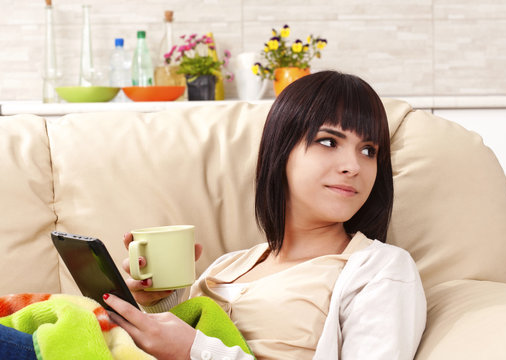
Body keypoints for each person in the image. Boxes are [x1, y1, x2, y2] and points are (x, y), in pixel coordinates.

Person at [0, 70, 426, 360]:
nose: (354, 165)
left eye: (369, 150)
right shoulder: (231, 265)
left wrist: (193, 350)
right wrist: (149, 301)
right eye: (330, 142)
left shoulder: (381, 270)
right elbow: (166, 340)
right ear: (280, 154)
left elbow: (192, 347)